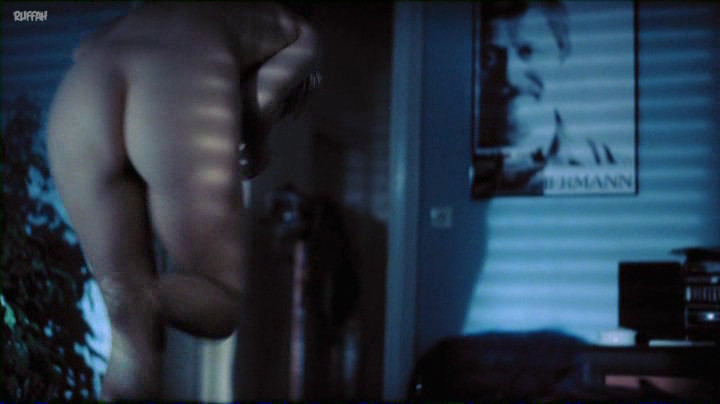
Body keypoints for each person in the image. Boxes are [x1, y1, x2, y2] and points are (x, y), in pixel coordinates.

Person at [47, 2, 320, 399]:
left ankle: (131, 308)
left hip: (80, 96)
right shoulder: (295, 29)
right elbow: (260, 101)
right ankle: (142, 296)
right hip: (176, 88)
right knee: (220, 299)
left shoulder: (154, 12)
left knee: (136, 341)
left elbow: (82, 49)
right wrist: (259, 149)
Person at [472, 1, 618, 197]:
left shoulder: (601, 164)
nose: (510, 76)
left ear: (562, 52)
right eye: (489, 57)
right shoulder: (457, 167)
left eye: (527, 51)